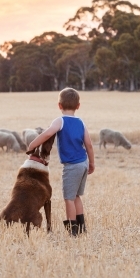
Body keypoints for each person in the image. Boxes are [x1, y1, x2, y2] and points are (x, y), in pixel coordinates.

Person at [28, 88, 95, 236]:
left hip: (72, 166)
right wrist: (92, 163)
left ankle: (73, 231)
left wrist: (32, 145)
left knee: (68, 199)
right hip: (83, 162)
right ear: (78, 106)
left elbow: (48, 133)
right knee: (76, 196)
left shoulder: (60, 121)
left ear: (59, 105)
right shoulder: (81, 122)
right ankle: (82, 227)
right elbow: (89, 144)